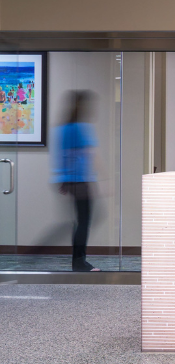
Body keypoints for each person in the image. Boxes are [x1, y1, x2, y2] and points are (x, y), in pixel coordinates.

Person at [54, 91, 99, 272]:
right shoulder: (80, 127)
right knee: (83, 221)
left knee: (80, 221)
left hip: (70, 181)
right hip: (81, 181)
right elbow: (89, 154)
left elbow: (63, 156)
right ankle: (79, 262)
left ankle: (78, 261)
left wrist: (63, 180)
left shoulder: (64, 127)